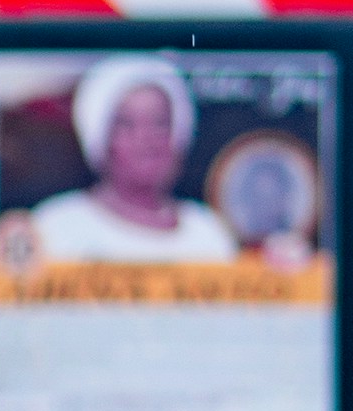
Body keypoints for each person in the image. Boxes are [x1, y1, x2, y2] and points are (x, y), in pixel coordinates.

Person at [29, 56, 233, 264]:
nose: (146, 139)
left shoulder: (208, 230)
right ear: (101, 139)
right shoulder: (55, 227)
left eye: (160, 122)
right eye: (126, 124)